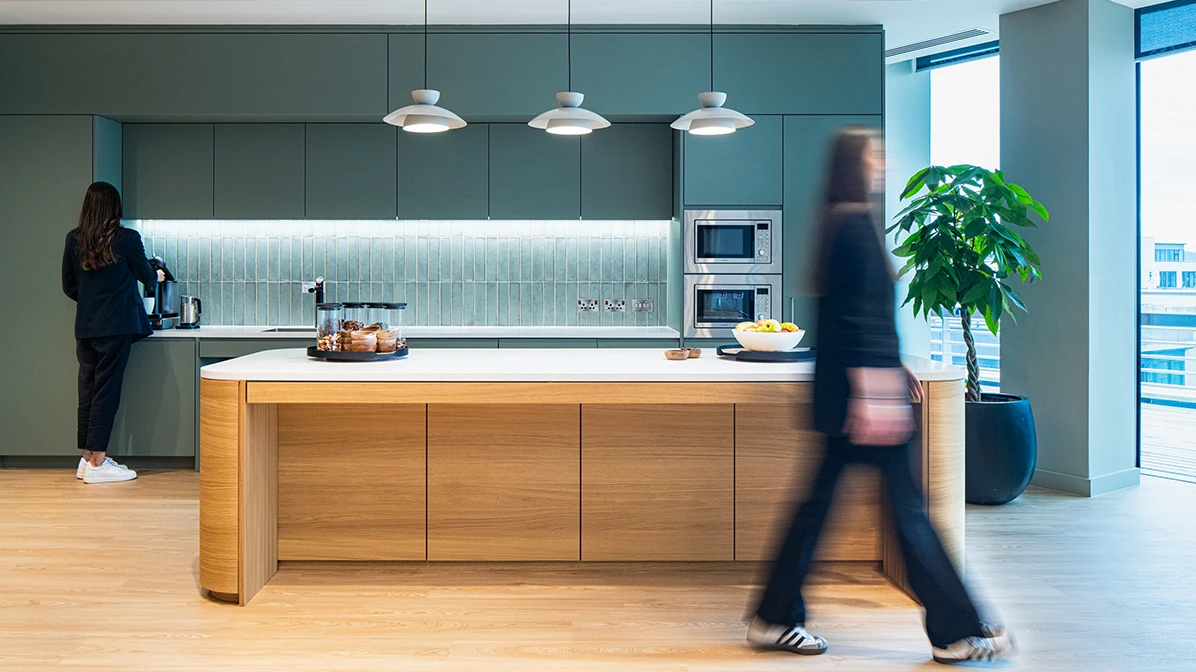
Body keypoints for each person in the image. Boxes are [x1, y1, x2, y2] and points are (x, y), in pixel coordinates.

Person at [745, 128, 1013, 664]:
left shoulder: (843, 223)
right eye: (874, 154)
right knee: (906, 515)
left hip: (850, 397)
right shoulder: (853, 226)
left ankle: (774, 617)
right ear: (855, 164)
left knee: (829, 510)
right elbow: (853, 320)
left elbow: (860, 319)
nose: (883, 162)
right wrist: (875, 391)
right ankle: (954, 629)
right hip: (861, 404)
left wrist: (892, 368)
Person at [62, 181, 164, 484]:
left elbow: (69, 286)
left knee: (88, 390)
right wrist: (156, 275)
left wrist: (93, 301)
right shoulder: (126, 238)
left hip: (86, 327)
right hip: (116, 325)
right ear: (115, 207)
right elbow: (146, 275)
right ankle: (98, 463)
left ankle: (86, 458)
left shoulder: (74, 239)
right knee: (106, 391)